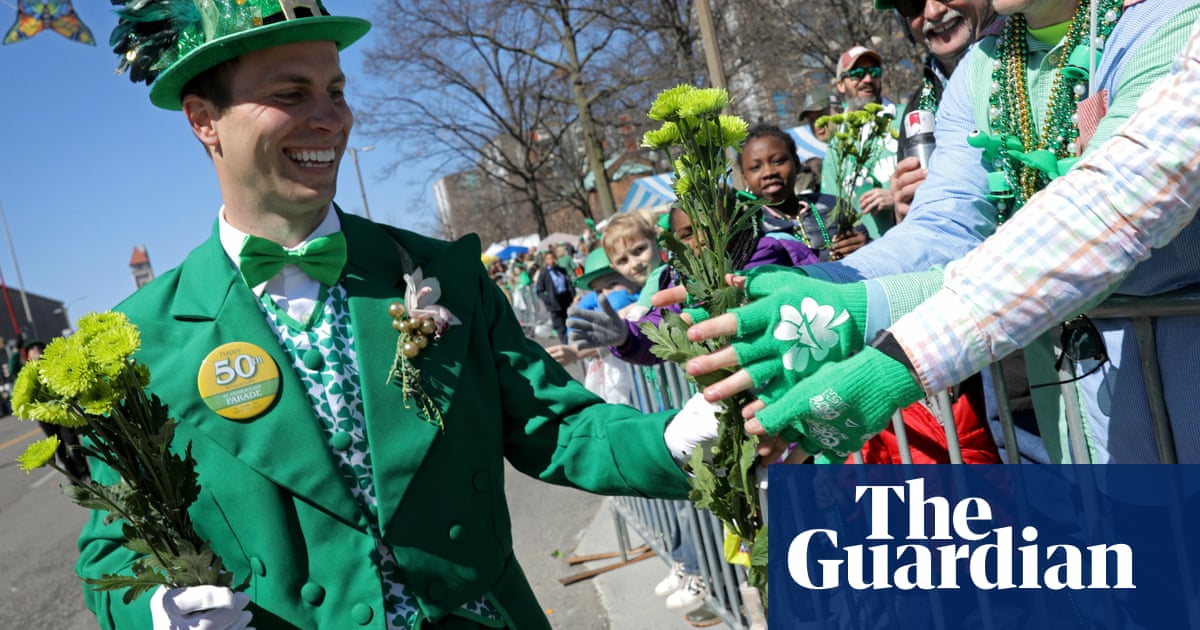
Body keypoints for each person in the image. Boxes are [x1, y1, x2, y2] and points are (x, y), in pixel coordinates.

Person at [78, 3, 720, 629]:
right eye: (292, 94)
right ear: (203, 120)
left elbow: (555, 427)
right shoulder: (140, 344)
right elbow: (112, 549)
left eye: (335, 90)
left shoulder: (445, 274)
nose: (330, 119)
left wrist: (673, 438)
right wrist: (157, 615)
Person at [668, 1, 1200, 465]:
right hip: (1071, 429)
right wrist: (814, 288)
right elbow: (945, 227)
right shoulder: (985, 66)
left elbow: (1100, 220)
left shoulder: (1171, 22)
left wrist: (885, 346)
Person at [878, 0, 999, 221]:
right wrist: (905, 213)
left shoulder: (1033, 58)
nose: (933, 12)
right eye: (913, 5)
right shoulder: (915, 110)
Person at [741, 124, 867, 261]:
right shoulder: (748, 230)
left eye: (778, 161)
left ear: (796, 163)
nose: (769, 172)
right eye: (755, 167)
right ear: (745, 178)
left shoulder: (833, 206)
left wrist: (866, 247)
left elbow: (876, 256)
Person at [823, 46, 903, 239]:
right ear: (841, 85)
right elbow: (831, 207)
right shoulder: (836, 142)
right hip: (868, 255)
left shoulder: (903, 118)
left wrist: (896, 198)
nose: (868, 79)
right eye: (858, 73)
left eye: (874, 72)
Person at [19, 340, 91, 482]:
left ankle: (84, 472)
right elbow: (14, 368)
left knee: (72, 440)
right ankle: (73, 477)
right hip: (44, 415)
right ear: (27, 355)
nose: (35, 351)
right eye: (31, 349)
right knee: (57, 446)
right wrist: (16, 351)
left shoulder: (51, 366)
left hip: (61, 410)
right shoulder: (26, 374)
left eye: (38, 348)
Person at [534, 249, 575, 343]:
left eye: (553, 258)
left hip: (566, 299)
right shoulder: (544, 273)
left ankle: (573, 342)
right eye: (548, 259)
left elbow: (568, 283)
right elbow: (539, 290)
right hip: (555, 303)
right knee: (560, 326)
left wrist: (572, 294)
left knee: (570, 323)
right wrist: (548, 300)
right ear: (546, 261)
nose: (551, 260)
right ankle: (566, 344)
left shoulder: (561, 270)